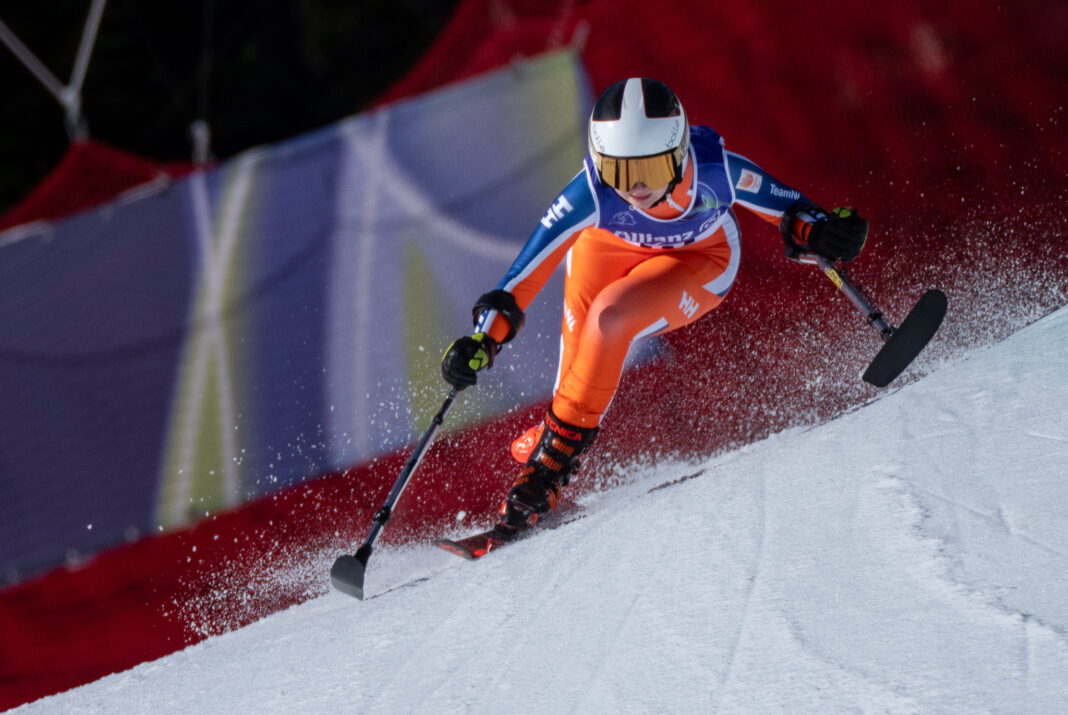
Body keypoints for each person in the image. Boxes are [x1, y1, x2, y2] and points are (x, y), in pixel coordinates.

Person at [441, 77, 867, 539]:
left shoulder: (714, 170)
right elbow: (521, 279)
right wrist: (482, 339)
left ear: (680, 154)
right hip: (611, 247)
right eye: (620, 172)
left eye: (653, 167)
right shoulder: (590, 191)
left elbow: (790, 211)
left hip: (701, 258)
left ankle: (544, 473)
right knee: (578, 358)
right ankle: (556, 439)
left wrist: (822, 231)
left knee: (610, 317)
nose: (637, 187)